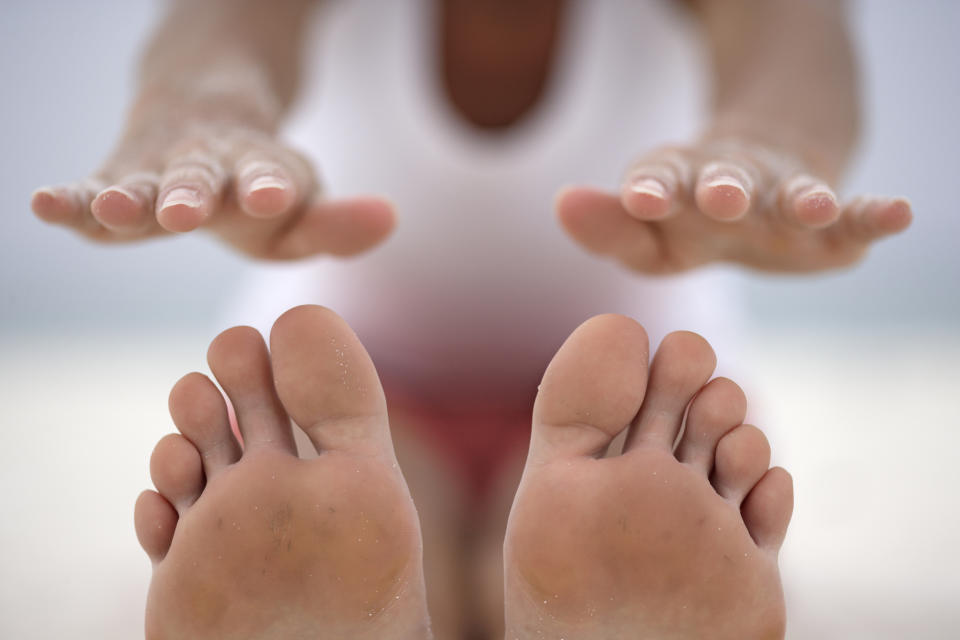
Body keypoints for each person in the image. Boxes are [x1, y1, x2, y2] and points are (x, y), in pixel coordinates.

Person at [32, 1, 911, 637]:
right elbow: (217, 38)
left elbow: (794, 53)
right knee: (376, 513)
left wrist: (776, 146)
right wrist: (201, 117)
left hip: (612, 407)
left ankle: (452, 608)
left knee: (458, 539)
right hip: (377, 399)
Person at [136, 304, 792, 639]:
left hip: (353, 398)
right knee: (618, 480)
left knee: (351, 491)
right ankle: (490, 599)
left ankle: (441, 606)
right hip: (369, 395)